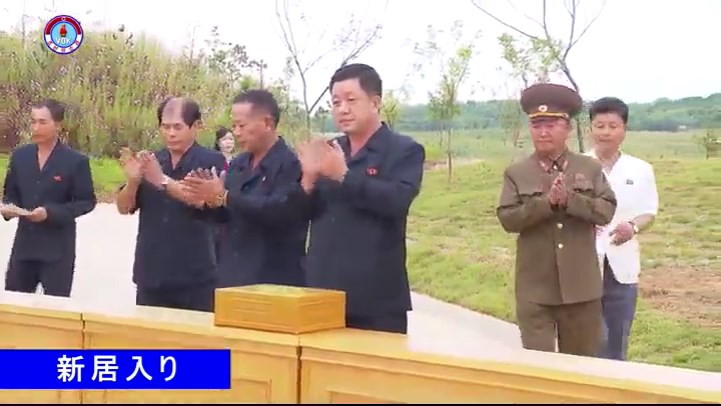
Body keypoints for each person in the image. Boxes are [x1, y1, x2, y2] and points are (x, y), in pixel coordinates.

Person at [296, 63, 426, 334]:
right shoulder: (329, 150)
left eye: (351, 100)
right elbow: (301, 215)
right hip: (322, 293)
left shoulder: (404, 150)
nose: (342, 109)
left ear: (375, 102)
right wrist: (307, 179)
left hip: (376, 298)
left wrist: (344, 176)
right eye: (336, 102)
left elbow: (397, 201)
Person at [495, 83, 617, 356]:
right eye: (536, 125)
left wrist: (571, 201)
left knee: (580, 368)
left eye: (551, 125)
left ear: (568, 129)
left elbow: (606, 210)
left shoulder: (589, 168)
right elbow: (508, 219)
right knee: (539, 369)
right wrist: (546, 204)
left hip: (581, 290)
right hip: (535, 290)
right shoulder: (517, 173)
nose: (543, 132)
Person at [181, 89, 309, 287]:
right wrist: (206, 202)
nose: (237, 133)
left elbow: (277, 211)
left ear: (267, 123)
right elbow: (229, 215)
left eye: (242, 125)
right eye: (234, 126)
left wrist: (225, 197)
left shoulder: (291, 164)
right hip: (233, 275)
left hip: (273, 278)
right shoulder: (238, 164)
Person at [115, 97, 226, 312]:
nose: (171, 133)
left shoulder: (211, 161)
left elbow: (203, 202)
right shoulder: (152, 160)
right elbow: (123, 208)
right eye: (165, 127)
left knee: (193, 333)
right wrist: (133, 182)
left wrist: (162, 180)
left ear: (196, 126)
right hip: (151, 272)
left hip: (195, 275)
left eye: (178, 127)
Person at [586, 97, 659, 361]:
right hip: (582, 262)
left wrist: (632, 227)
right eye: (600, 126)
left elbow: (648, 212)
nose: (605, 132)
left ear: (624, 130)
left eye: (613, 126)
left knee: (617, 339)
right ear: (590, 129)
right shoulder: (577, 166)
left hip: (622, 264)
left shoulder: (640, 169)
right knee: (587, 337)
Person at [1, 99, 96, 297]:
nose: (36, 127)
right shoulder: (20, 157)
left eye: (42, 122)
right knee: (15, 305)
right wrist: (9, 209)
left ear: (58, 125)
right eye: (33, 121)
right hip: (24, 248)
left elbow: (86, 202)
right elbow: (10, 194)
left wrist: (50, 213)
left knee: (56, 307)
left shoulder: (75, 161)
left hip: (57, 251)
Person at [211, 126, 235, 261]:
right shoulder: (214, 161)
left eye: (231, 139)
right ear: (218, 142)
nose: (228, 142)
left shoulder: (238, 161)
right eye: (225, 139)